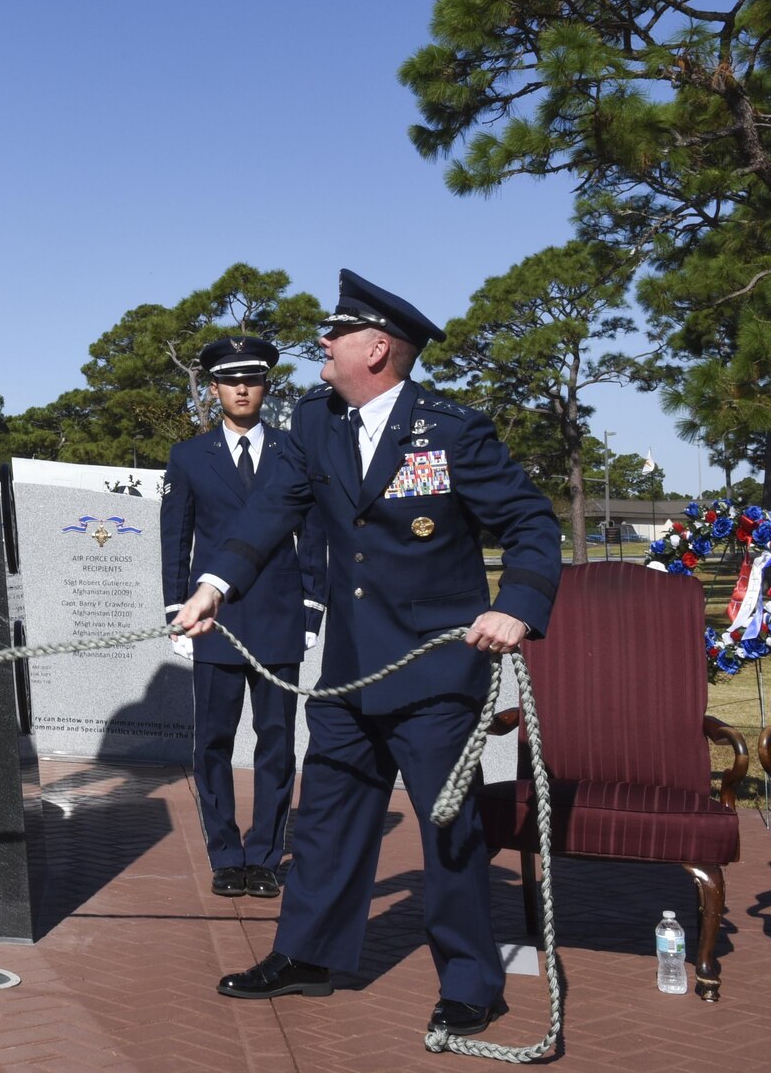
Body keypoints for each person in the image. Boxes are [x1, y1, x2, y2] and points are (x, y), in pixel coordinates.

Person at [173, 271, 561, 1040]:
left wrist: (514, 606)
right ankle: (309, 955)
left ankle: (474, 983)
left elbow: (531, 522)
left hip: (434, 675)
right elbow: (270, 506)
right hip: (351, 671)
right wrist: (215, 582)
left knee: (447, 832)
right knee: (323, 819)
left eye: (337, 333)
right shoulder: (315, 421)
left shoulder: (452, 430)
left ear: (377, 348)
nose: (322, 341)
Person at [161, 337, 324, 900]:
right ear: (214, 388)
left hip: (279, 613)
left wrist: (312, 608)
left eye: (251, 379)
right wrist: (174, 612)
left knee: (277, 743)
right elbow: (175, 537)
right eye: (230, 380)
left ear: (265, 386)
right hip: (215, 617)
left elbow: (315, 534)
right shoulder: (189, 456)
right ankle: (225, 854)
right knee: (213, 741)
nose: (241, 388)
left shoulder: (292, 451)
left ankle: (264, 855)